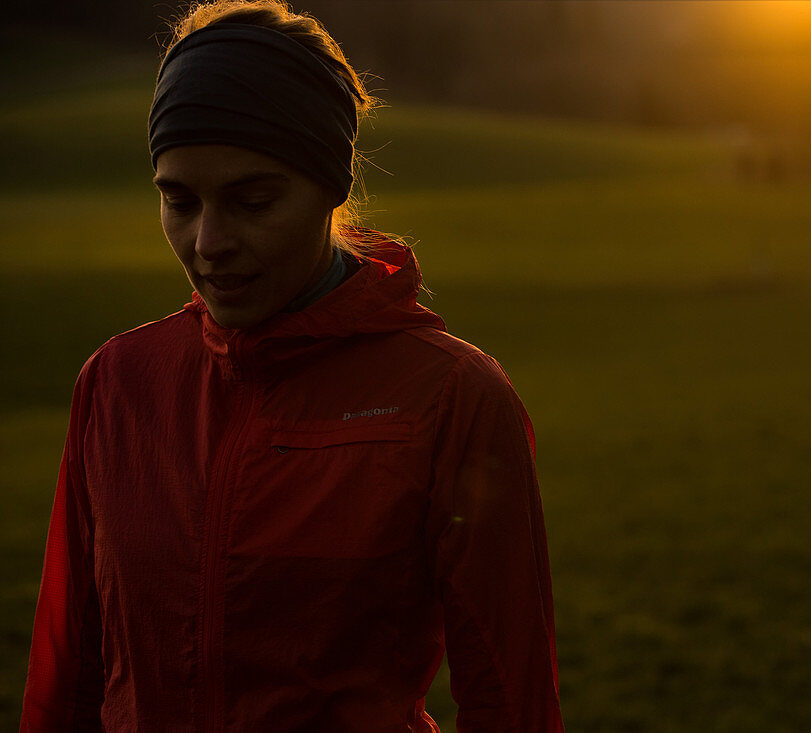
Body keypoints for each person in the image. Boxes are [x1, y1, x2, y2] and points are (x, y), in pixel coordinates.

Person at [19, 1, 564, 730]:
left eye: (253, 200)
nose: (208, 241)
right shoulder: (119, 382)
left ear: (331, 184)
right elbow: (67, 679)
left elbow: (511, 700)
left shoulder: (452, 398)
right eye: (179, 200)